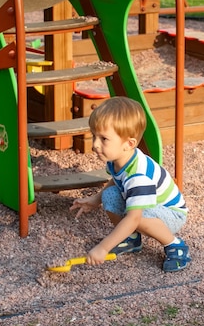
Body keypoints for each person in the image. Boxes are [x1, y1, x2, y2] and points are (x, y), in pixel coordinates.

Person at [70, 96, 191, 272]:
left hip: (171, 214)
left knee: (136, 217)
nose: (95, 144)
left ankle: (175, 246)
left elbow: (134, 218)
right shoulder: (117, 159)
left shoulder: (139, 176)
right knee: (109, 195)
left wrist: (103, 248)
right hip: (149, 206)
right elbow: (117, 180)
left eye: (104, 139)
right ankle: (132, 239)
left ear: (129, 143)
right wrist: (96, 199)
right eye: (93, 136)